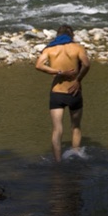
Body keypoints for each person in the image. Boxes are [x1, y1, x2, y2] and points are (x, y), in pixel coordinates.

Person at [35, 25, 91, 162]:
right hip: (74, 91)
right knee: (75, 127)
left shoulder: (49, 49)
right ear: (71, 35)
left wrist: (59, 72)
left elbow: (38, 65)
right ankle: (76, 155)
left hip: (57, 93)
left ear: (57, 35)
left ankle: (58, 162)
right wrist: (78, 80)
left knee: (57, 129)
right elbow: (87, 64)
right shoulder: (77, 48)